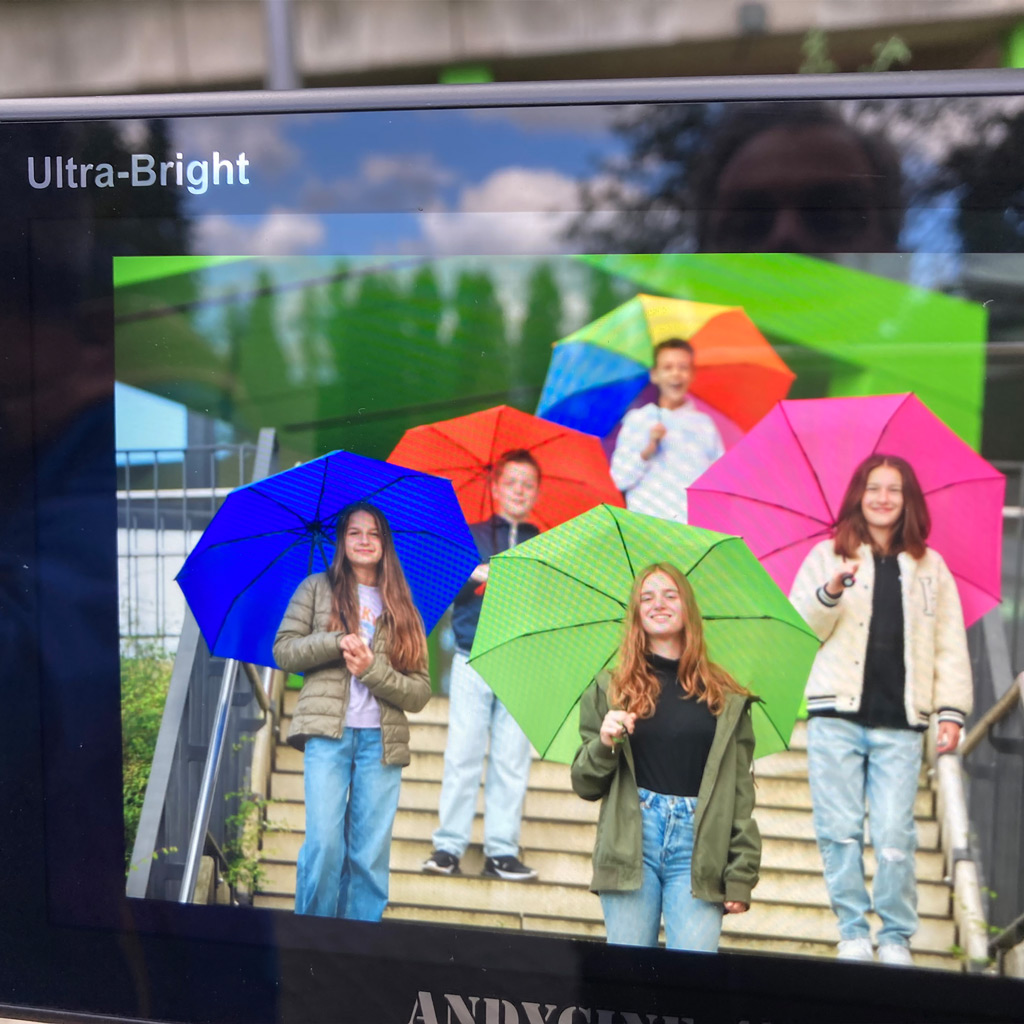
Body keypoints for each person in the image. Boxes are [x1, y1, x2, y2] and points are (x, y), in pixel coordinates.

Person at [789, 454, 972, 966]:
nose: (883, 498)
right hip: (835, 719)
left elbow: (949, 646)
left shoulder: (931, 567)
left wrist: (952, 711)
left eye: (894, 489)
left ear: (907, 499)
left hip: (901, 723)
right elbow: (801, 628)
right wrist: (830, 591)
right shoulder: (829, 556)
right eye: (874, 488)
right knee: (839, 830)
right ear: (858, 495)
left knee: (895, 834)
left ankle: (894, 936)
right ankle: (851, 930)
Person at [570, 563, 761, 952]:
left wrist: (740, 874)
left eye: (670, 595)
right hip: (631, 840)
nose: (659, 604)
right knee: (627, 980)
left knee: (693, 983)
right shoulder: (610, 689)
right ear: (636, 614)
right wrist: (605, 742)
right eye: (647, 597)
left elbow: (740, 795)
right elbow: (584, 784)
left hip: (699, 846)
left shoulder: (725, 697)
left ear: (687, 607)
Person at [273, 501, 430, 921]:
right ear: (342, 540)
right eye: (355, 532)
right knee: (324, 844)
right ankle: (310, 943)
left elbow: (419, 692)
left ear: (385, 543)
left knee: (368, 857)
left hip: (381, 742)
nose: (364, 541)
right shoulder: (315, 588)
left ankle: (358, 948)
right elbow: (284, 650)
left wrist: (371, 670)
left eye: (374, 533)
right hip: (328, 734)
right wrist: (334, 642)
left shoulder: (402, 605)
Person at [423, 449, 542, 881]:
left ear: (536, 493)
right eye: (511, 482)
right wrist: (475, 576)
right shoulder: (468, 536)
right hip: (472, 655)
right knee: (463, 752)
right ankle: (448, 846)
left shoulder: (544, 542)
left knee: (512, 759)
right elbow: (442, 588)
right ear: (495, 487)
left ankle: (502, 851)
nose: (518, 491)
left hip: (521, 661)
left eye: (527, 485)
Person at [609, 339, 724, 523]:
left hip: (693, 529)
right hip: (647, 528)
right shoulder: (638, 420)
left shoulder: (704, 425)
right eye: (668, 367)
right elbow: (618, 480)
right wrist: (648, 450)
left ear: (692, 374)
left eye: (683, 367)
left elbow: (720, 481)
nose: (676, 374)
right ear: (655, 375)